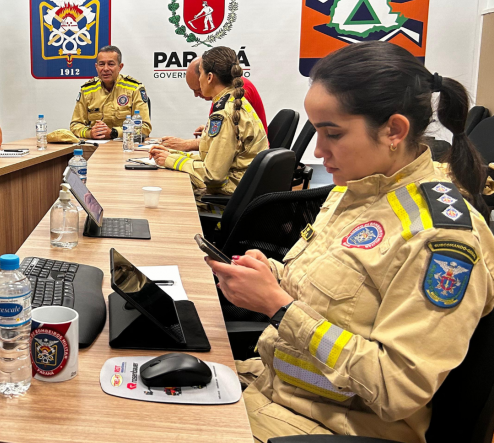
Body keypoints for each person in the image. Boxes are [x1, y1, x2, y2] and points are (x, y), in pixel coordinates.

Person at [205, 41, 494, 443]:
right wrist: (270, 274)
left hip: (323, 425)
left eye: (333, 134)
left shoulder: (440, 238)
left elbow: (395, 389)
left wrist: (278, 306)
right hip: (271, 387)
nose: (318, 152)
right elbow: (333, 294)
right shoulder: (353, 191)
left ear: (394, 130)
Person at [149, 47, 267, 195]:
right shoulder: (234, 102)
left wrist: (170, 161)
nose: (199, 80)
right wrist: (171, 154)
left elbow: (212, 175)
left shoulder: (224, 114)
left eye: (201, 74)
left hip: (231, 196)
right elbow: (212, 159)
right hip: (244, 190)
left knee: (169, 191)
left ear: (209, 77)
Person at [161, 57, 268, 152]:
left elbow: (228, 144)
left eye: (198, 90)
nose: (196, 95)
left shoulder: (237, 93)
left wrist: (186, 145)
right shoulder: (225, 93)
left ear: (209, 78)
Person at [70, 45, 151, 140]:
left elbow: (145, 127)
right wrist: (90, 133)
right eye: (101, 64)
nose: (105, 69)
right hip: (95, 146)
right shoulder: (87, 90)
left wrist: (114, 133)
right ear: (96, 67)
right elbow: (75, 125)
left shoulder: (134, 88)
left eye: (111, 64)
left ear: (120, 67)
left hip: (126, 146)